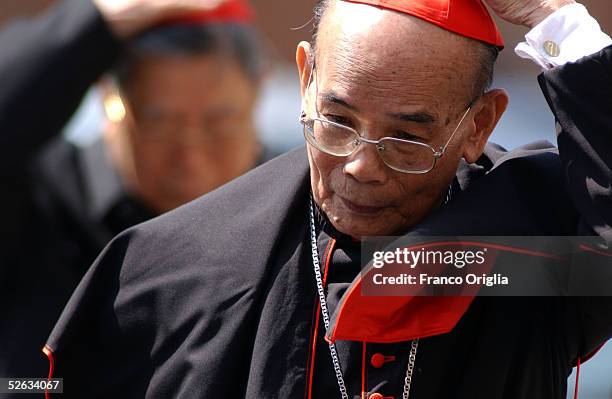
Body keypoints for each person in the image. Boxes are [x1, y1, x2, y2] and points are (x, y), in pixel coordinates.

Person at [44, 0, 612, 398]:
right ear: (305, 78)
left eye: (406, 138)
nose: (361, 167)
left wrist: (554, 20)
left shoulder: (526, 250)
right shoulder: (174, 267)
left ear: (477, 125)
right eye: (337, 121)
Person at [0, 0, 267, 382]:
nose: (189, 156)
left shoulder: (300, 207)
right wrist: (94, 23)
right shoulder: (38, 203)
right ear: (111, 102)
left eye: (218, 123)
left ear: (258, 92)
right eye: (160, 124)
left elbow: (382, 289)